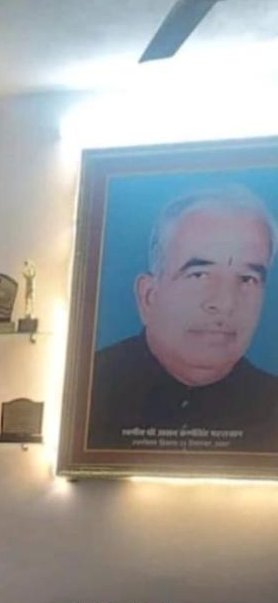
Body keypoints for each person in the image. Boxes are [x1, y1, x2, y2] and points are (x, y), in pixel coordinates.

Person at [87, 186, 278, 452]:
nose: (225, 303)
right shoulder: (87, 391)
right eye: (199, 275)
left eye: (248, 279)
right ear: (149, 296)